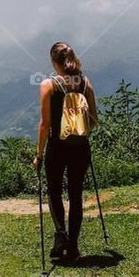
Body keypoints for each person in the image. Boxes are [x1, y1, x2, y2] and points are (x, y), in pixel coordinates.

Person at [33, 41, 99, 264]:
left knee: (54, 191)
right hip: (80, 148)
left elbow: (45, 124)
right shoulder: (84, 83)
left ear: (54, 62)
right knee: (75, 195)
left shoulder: (48, 85)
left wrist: (38, 155)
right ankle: (73, 246)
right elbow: (95, 120)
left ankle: (60, 234)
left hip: (56, 147)